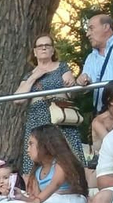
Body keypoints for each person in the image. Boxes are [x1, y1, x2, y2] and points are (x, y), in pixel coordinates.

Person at [16, 34, 84, 171]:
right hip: (37, 118)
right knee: (37, 156)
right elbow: (18, 99)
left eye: (47, 45)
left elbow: (71, 92)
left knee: (67, 156)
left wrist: (72, 84)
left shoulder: (62, 67)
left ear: (53, 50)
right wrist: (34, 78)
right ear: (35, 52)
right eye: (40, 46)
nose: (44, 48)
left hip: (60, 117)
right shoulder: (30, 75)